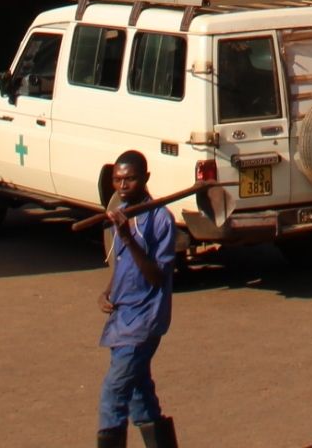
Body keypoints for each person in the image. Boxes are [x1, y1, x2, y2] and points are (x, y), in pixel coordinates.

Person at [98, 149, 179, 448]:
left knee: (113, 393)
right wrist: (109, 289)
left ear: (145, 179)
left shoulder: (160, 220)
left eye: (129, 180)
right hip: (123, 315)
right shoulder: (123, 213)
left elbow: (157, 276)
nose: (122, 186)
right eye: (117, 180)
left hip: (144, 320)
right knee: (138, 393)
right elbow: (124, 265)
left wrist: (129, 236)